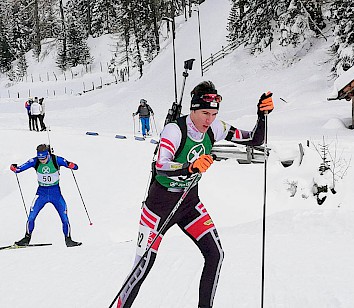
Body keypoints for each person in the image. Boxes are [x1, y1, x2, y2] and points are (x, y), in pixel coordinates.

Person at [117, 81, 274, 308]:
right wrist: (190, 167)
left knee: (215, 255)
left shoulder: (215, 128)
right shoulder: (175, 129)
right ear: (193, 110)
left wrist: (262, 115)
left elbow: (254, 139)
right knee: (143, 266)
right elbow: (161, 165)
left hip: (189, 204)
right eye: (204, 113)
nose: (208, 120)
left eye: (213, 113)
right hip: (160, 206)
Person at [10, 144, 82, 247]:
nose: (42, 161)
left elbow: (75, 167)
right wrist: (14, 168)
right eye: (40, 158)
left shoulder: (57, 160)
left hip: (55, 193)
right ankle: (26, 238)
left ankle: (68, 240)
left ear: (48, 154)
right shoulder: (34, 161)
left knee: (64, 218)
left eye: (44, 158)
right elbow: (19, 169)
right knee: (31, 217)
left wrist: (71, 165)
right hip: (41, 193)